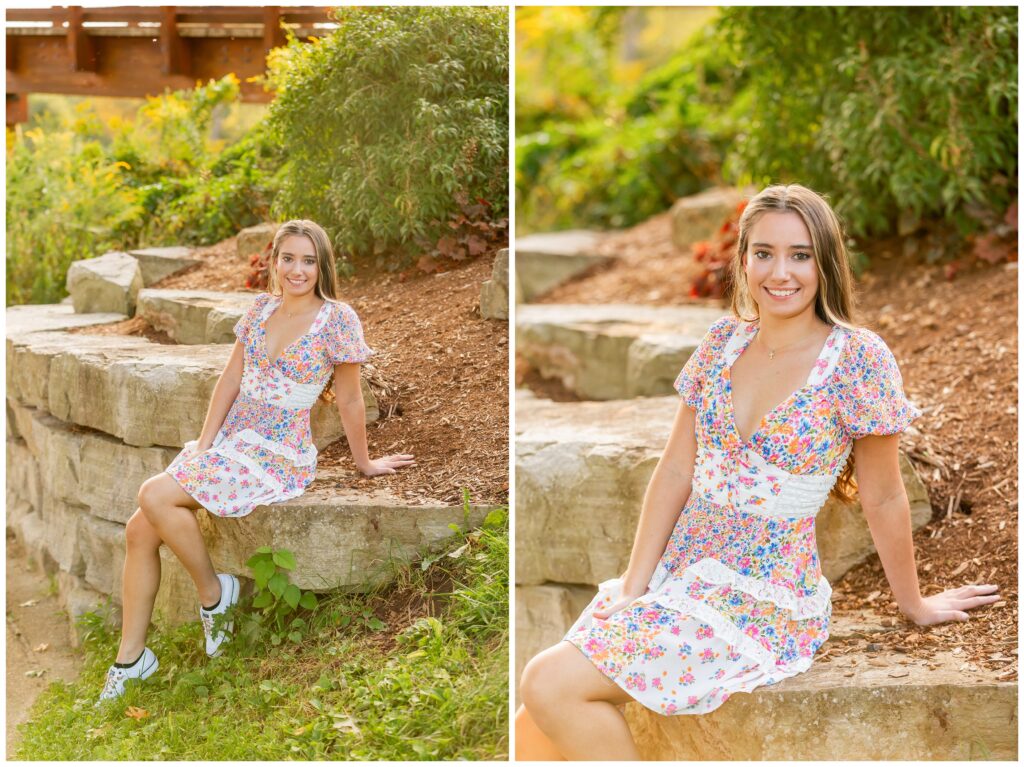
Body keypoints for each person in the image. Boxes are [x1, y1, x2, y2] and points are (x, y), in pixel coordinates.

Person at [514, 184, 1000, 760]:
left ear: (826, 262)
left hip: (761, 595)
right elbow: (674, 471)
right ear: (743, 259)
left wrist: (913, 604)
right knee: (529, 727)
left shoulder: (858, 359)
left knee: (548, 683)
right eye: (763, 252)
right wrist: (634, 584)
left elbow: (886, 496)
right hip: (678, 574)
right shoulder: (723, 342)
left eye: (800, 254)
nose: (781, 272)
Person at [98, 219, 415, 702]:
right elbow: (229, 381)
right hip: (230, 441)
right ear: (275, 262)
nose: (297, 269)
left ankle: (214, 594)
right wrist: (205, 445)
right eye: (288, 258)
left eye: (308, 260)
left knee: (152, 493)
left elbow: (350, 400)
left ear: (322, 266)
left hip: (276, 451)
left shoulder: (337, 319)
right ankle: (130, 660)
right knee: (140, 529)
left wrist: (364, 463)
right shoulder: (260, 310)